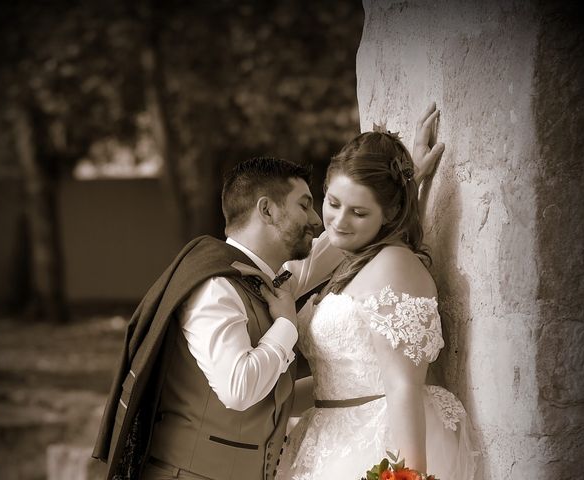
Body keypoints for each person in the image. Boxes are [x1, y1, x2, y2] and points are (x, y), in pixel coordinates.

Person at [92, 104, 443, 480]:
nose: (317, 220)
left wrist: (406, 187)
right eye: (309, 204)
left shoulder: (276, 277)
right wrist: (286, 325)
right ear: (268, 211)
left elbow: (346, 239)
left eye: (319, 204)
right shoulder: (216, 286)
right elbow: (239, 389)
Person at [268, 127, 479, 479]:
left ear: (390, 211)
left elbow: (403, 385)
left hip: (378, 442)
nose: (338, 220)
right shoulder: (350, 257)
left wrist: (409, 475)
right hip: (327, 436)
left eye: (359, 213)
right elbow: (335, 379)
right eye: (333, 203)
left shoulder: (394, 266)